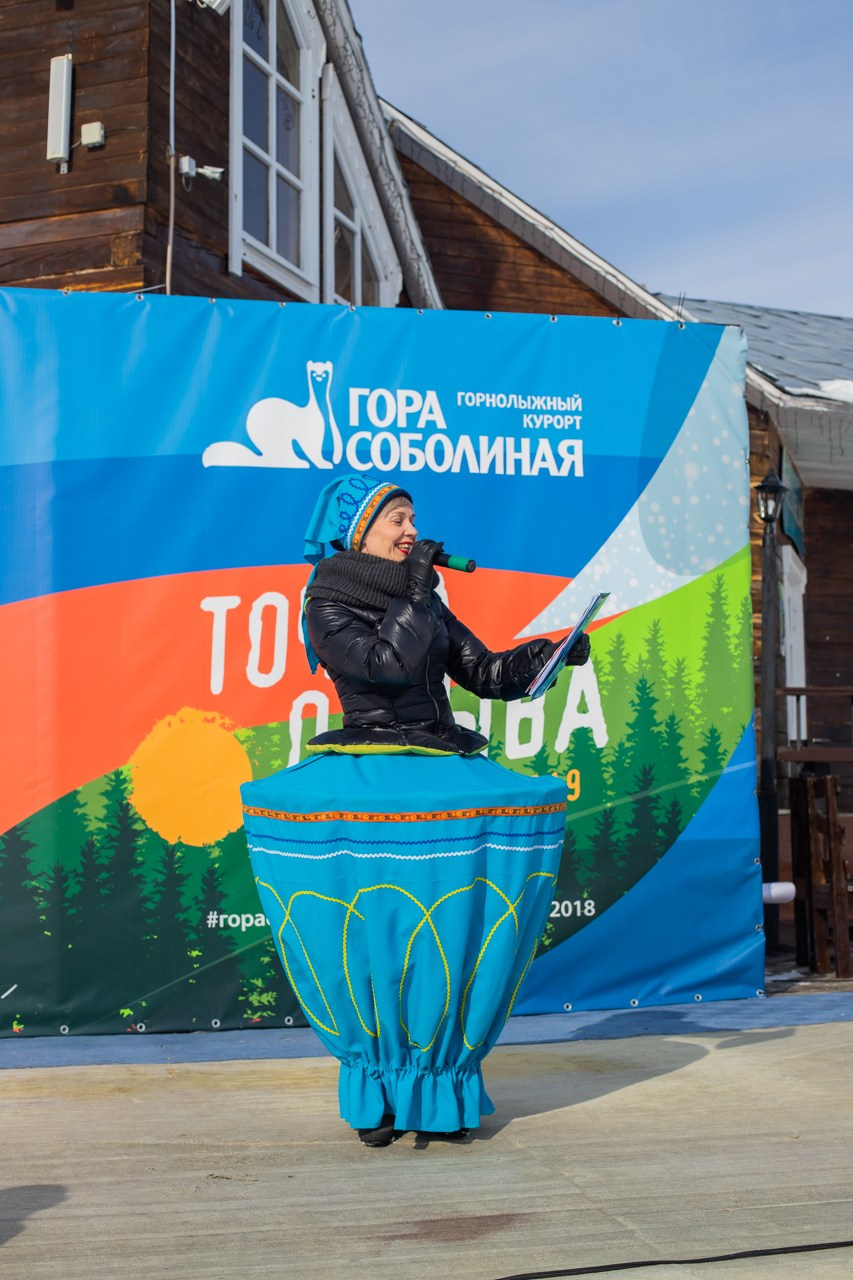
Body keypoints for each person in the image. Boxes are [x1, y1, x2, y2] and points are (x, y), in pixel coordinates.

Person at [240, 474, 590, 1147]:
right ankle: (378, 1084)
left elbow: (484, 674)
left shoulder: (420, 598)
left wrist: (550, 655)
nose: (410, 530)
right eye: (396, 518)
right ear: (358, 530)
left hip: (440, 762)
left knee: (449, 934)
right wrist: (420, 591)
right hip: (373, 767)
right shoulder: (327, 601)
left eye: (411, 517)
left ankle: (439, 1085)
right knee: (381, 933)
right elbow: (387, 668)